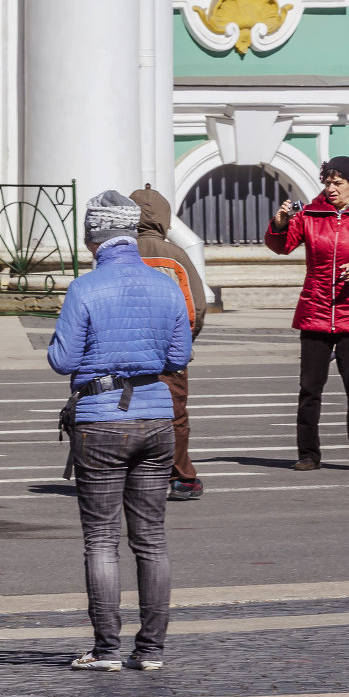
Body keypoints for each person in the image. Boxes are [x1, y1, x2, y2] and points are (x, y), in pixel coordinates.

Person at [48, 190, 191, 672]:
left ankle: (107, 649)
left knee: (101, 540)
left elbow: (62, 360)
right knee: (151, 538)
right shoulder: (167, 283)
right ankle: (150, 651)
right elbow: (178, 357)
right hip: (155, 417)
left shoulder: (84, 289)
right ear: (131, 233)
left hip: (101, 421)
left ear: (93, 237)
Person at [266, 156, 349, 472]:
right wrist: (280, 224)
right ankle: (308, 455)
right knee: (309, 389)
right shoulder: (311, 215)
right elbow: (282, 246)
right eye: (327, 182)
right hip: (314, 312)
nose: (330, 188)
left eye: (337, 182)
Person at [130, 185, 207, 501]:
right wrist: (186, 339)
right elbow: (196, 307)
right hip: (169, 354)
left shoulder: (118, 252)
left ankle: (136, 476)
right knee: (175, 415)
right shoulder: (177, 256)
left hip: (129, 352)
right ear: (164, 219)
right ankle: (182, 478)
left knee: (131, 414)